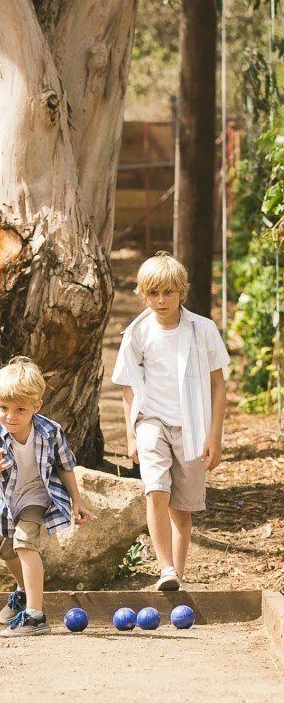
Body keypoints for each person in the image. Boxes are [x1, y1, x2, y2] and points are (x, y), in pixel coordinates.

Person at [111, 252, 230, 591]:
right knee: (155, 490)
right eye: (153, 293)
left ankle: (176, 574)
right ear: (143, 294)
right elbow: (128, 386)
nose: (161, 301)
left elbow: (218, 385)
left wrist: (215, 437)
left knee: (182, 507)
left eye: (168, 292)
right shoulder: (137, 333)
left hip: (192, 426)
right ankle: (165, 567)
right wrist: (131, 434)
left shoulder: (202, 330)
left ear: (181, 292)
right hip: (151, 421)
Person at [0, 356, 92, 637]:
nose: (11, 416)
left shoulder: (50, 431)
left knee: (25, 542)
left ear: (36, 406)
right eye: (3, 408)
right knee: (6, 551)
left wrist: (77, 500)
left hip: (37, 496)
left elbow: (65, 466)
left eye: (20, 409)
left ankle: (35, 616)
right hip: (5, 501)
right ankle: (22, 592)